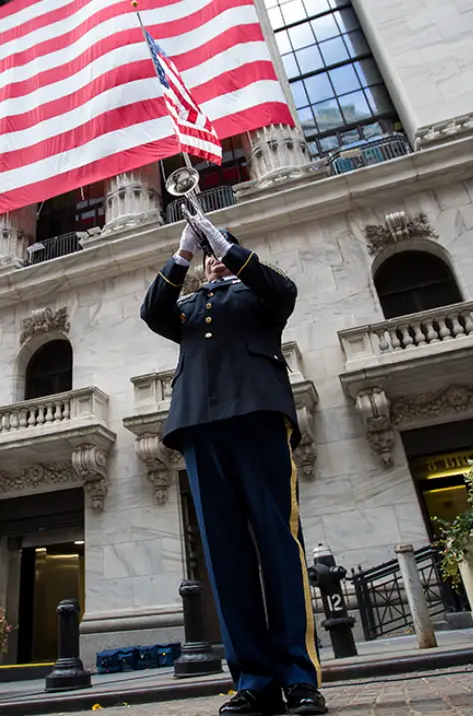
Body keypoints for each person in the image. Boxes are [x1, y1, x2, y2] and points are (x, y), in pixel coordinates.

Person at [140, 211, 327, 716]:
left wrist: (226, 247)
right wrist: (181, 254)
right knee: (225, 557)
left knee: (278, 544)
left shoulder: (260, 293)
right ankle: (253, 680)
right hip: (201, 426)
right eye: (209, 260)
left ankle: (298, 678)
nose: (213, 267)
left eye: (218, 257)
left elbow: (282, 290)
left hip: (259, 418)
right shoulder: (186, 305)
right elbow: (151, 311)